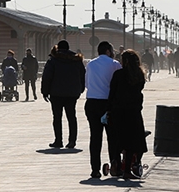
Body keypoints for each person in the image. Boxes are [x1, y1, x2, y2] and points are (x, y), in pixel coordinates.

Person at [107, 50, 149, 179]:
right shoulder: (139, 75)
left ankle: (117, 166)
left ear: (124, 61)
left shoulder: (118, 74)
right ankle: (127, 170)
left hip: (118, 111)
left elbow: (112, 93)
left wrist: (108, 110)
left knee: (117, 139)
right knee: (132, 141)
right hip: (133, 111)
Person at [84, 41, 122, 179]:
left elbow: (87, 84)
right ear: (108, 51)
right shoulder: (115, 64)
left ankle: (95, 169)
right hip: (108, 104)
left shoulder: (90, 64)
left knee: (95, 137)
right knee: (112, 137)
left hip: (92, 102)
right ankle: (115, 166)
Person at [41, 40, 86, 149]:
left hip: (56, 93)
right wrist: (80, 89)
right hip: (72, 93)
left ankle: (58, 141)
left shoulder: (53, 60)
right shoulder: (76, 60)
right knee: (71, 117)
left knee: (57, 117)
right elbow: (83, 75)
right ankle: (72, 141)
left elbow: (47, 77)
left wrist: (45, 92)